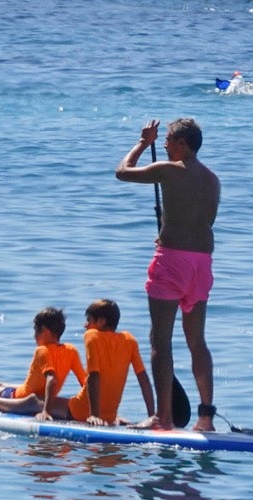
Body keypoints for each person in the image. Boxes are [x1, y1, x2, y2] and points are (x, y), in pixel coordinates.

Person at [115, 118, 219, 433]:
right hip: (202, 264)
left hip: (172, 263)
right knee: (196, 340)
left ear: (183, 144)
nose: (164, 145)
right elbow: (199, 221)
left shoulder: (169, 170)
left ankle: (163, 417)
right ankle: (206, 418)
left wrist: (142, 143)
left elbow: (122, 172)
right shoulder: (213, 180)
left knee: (159, 339)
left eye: (169, 141)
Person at [70, 298, 156, 425]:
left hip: (82, 410)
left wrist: (94, 415)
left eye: (89, 320)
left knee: (36, 401)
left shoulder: (92, 335)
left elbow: (94, 375)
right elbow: (143, 378)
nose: (85, 325)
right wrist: (151, 416)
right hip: (109, 416)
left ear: (101, 321)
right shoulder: (129, 340)